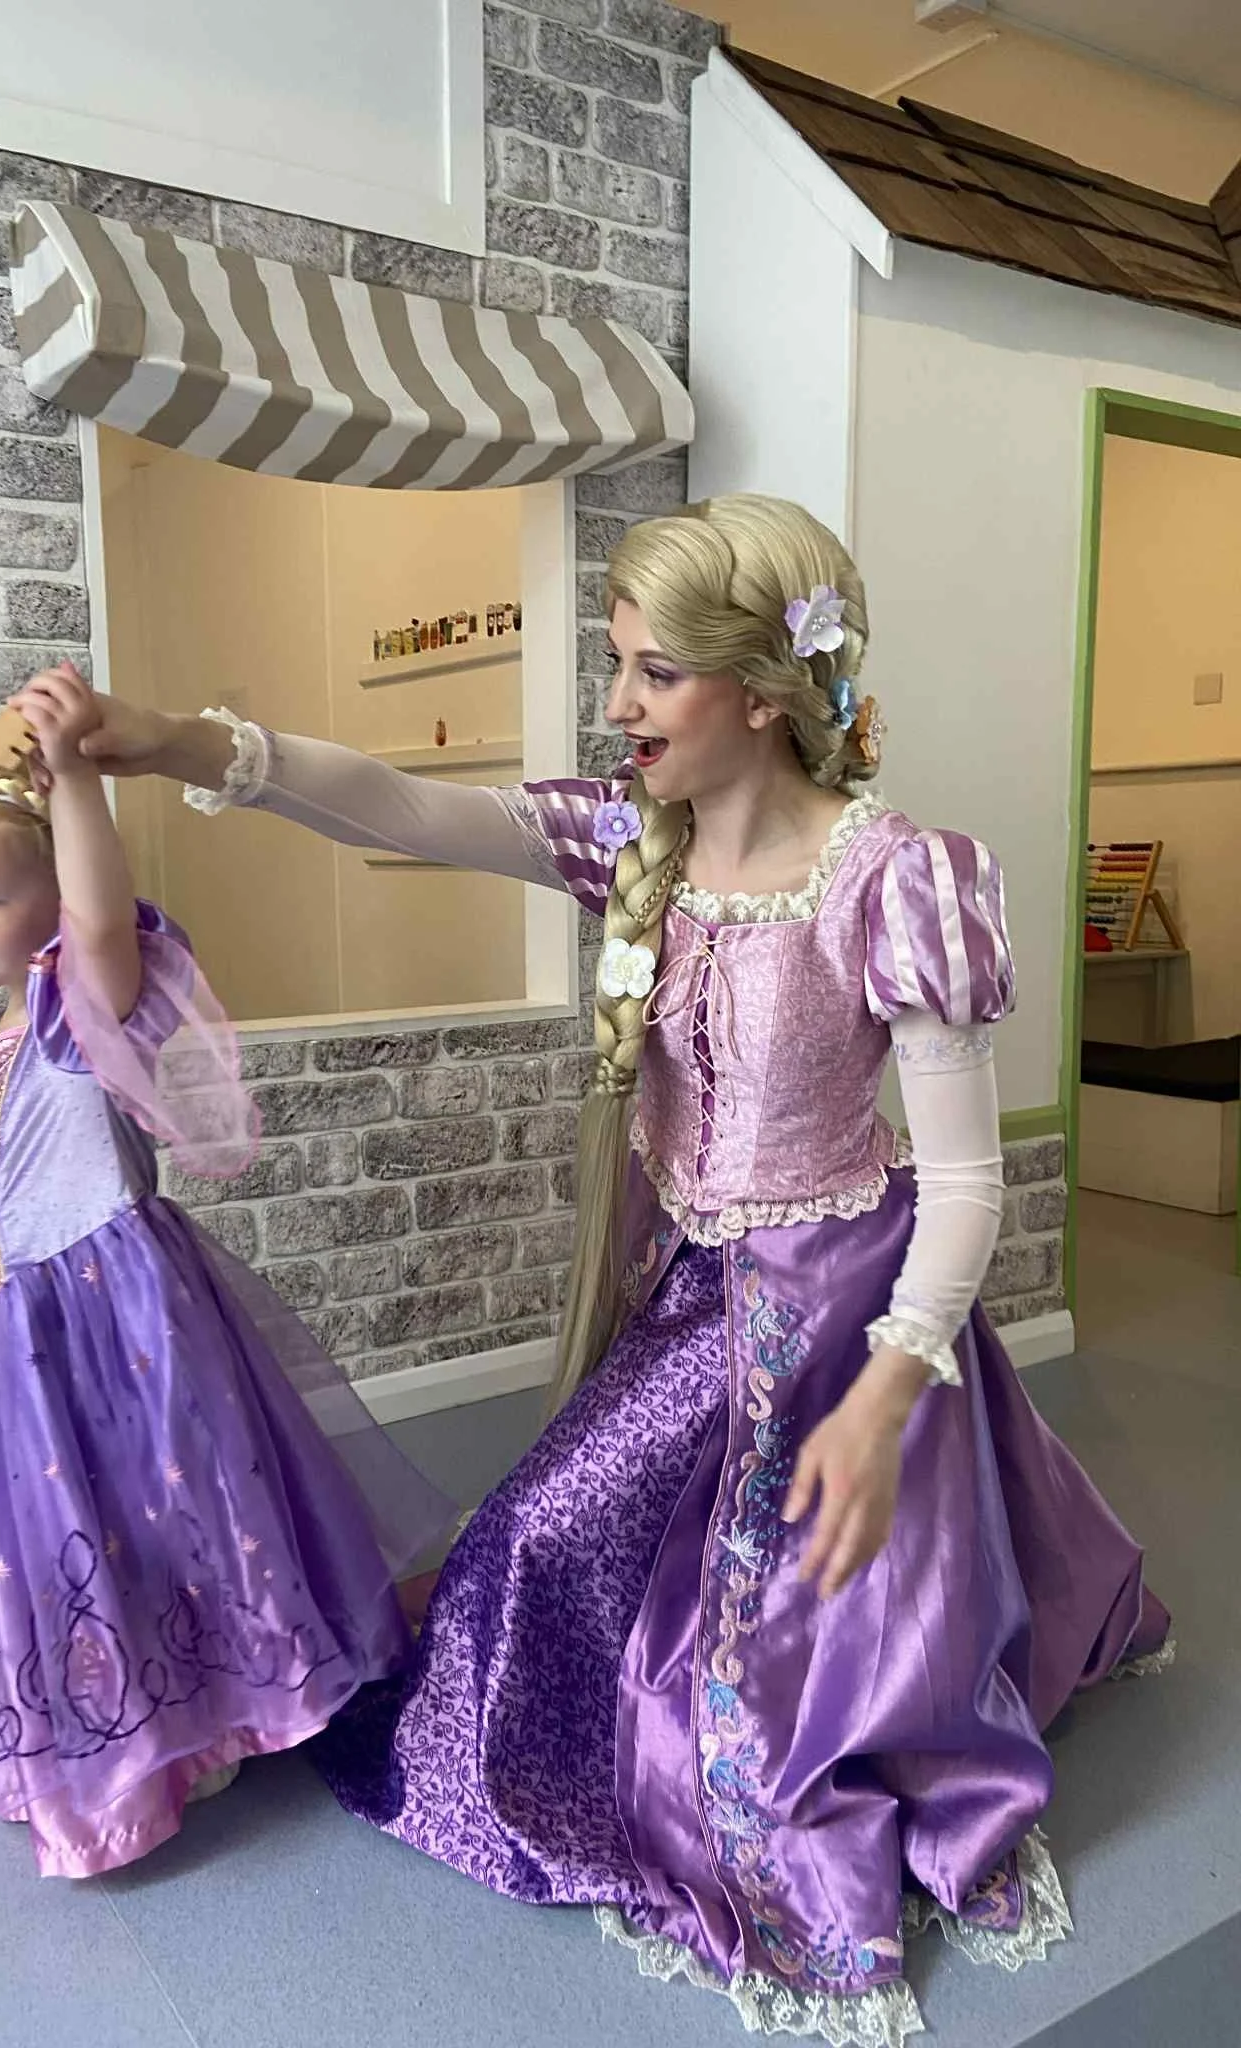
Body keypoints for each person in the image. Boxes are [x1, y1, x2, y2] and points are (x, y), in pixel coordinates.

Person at [63, 498, 1170, 2041]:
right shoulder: (626, 844)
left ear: (763, 694)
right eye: (615, 668)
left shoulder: (893, 879)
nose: (618, 704)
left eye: (651, 674)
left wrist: (888, 1393)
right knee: (517, 1555)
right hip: (704, 1299)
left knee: (785, 1693)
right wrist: (172, 741)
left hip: (848, 1314)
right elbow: (395, 805)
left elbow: (969, 1189)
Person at [0, 664, 449, 1881]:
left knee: (173, 1516)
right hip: (16, 1342)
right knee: (77, 1546)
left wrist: (82, 780)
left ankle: (211, 1717)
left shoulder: (77, 1001)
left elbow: (103, 920)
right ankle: (127, 1741)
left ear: (48, 892)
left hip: (115, 1323)